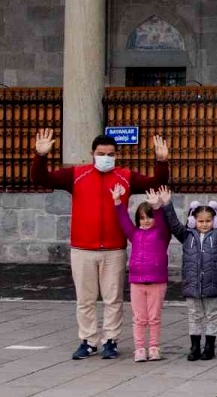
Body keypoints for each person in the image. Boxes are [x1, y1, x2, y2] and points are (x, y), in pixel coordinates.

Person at [30, 129, 170, 360]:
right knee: (85, 299)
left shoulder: (125, 176)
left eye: (111, 154)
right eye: (101, 153)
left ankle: (110, 341)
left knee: (113, 299)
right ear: (92, 154)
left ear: (116, 156)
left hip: (114, 249)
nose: (106, 157)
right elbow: (40, 179)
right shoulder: (76, 174)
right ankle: (88, 341)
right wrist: (40, 155)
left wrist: (162, 161)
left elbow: (156, 183)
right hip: (82, 249)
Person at [162, 187, 217, 362]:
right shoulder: (186, 236)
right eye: (200, 221)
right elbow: (173, 223)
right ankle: (194, 346)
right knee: (194, 315)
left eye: (208, 221)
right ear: (193, 221)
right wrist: (167, 204)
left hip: (212, 283)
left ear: (214, 221)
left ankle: (209, 347)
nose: (204, 224)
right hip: (192, 284)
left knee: (211, 315)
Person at [111, 184, 171, 362]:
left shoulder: (162, 234)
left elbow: (161, 222)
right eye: (142, 218)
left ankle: (153, 347)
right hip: (137, 281)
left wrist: (157, 208)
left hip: (157, 281)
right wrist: (117, 202)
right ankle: (139, 348)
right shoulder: (134, 234)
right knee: (139, 318)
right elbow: (123, 220)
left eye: (149, 217)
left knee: (154, 317)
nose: (146, 221)